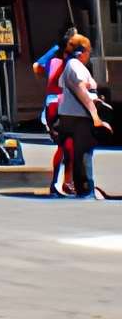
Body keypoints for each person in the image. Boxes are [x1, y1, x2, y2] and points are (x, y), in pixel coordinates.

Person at [55, 32, 111, 200]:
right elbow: (81, 92)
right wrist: (96, 117)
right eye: (88, 52)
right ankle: (86, 189)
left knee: (79, 152)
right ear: (82, 52)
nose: (89, 56)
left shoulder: (72, 65)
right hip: (79, 116)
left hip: (72, 114)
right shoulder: (75, 65)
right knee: (84, 152)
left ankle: (83, 187)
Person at [34, 27, 78, 195]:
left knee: (66, 146)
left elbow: (38, 67)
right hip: (59, 104)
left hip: (58, 103)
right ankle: (62, 183)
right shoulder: (62, 60)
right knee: (66, 145)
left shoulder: (59, 60)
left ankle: (63, 182)